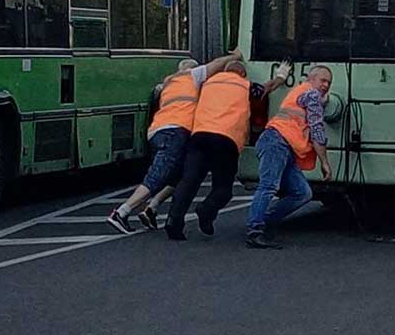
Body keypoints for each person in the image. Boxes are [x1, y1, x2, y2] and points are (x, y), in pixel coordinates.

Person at [107, 49, 242, 234]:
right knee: (158, 175)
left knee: (179, 173)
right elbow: (217, 64)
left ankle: (152, 207)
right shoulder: (190, 76)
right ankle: (122, 212)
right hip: (175, 130)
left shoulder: (169, 83)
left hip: (159, 131)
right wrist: (235, 57)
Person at [164, 59, 290, 240]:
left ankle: (173, 221)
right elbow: (267, 88)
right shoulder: (245, 86)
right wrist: (281, 76)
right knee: (223, 188)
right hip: (226, 140)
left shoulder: (208, 83)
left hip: (199, 136)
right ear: (243, 74)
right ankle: (206, 211)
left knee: (189, 181)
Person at [245, 66, 335, 250]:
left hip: (282, 143)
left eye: (329, 82)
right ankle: (255, 230)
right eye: (322, 80)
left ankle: (263, 221)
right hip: (278, 141)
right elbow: (317, 130)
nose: (326, 85)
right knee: (269, 186)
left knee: (303, 193)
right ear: (311, 79)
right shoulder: (311, 95)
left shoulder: (301, 91)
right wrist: (325, 162)